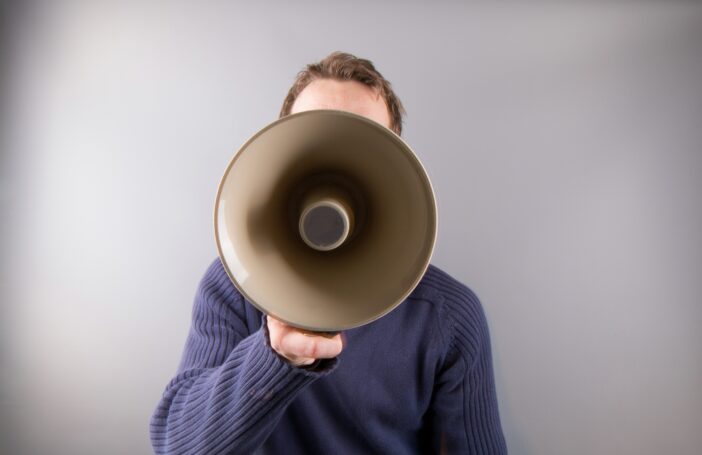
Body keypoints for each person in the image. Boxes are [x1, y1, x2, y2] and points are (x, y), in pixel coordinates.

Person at [150, 52, 508, 454]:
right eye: (317, 133)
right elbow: (178, 447)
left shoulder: (448, 317)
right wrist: (275, 355)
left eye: (362, 142)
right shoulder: (234, 286)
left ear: (395, 166)